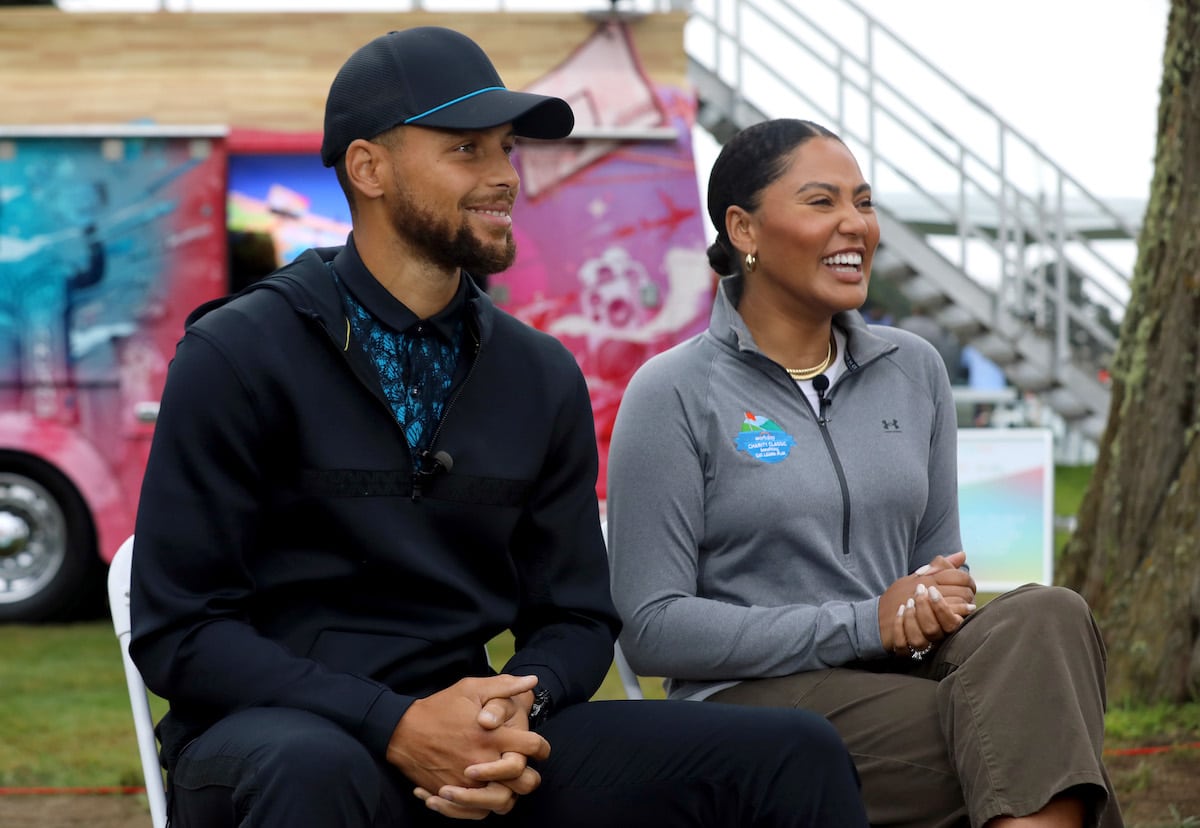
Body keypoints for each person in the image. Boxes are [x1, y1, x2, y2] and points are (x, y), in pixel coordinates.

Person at [128, 30, 869, 828]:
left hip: (478, 738)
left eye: (506, 150)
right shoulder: (237, 354)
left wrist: (516, 709)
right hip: (277, 740)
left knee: (792, 751)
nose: (502, 178)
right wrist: (396, 724)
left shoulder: (536, 373)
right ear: (368, 168)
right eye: (466, 150)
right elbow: (183, 633)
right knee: (315, 767)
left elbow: (577, 617)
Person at [606, 118, 1122, 828]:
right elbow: (653, 628)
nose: (857, 225)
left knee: (1050, 615)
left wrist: (933, 603)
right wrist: (861, 624)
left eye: (865, 202)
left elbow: (938, 573)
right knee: (1027, 736)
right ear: (744, 230)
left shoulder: (914, 370)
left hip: (897, 672)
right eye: (822, 202)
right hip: (752, 699)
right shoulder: (672, 392)